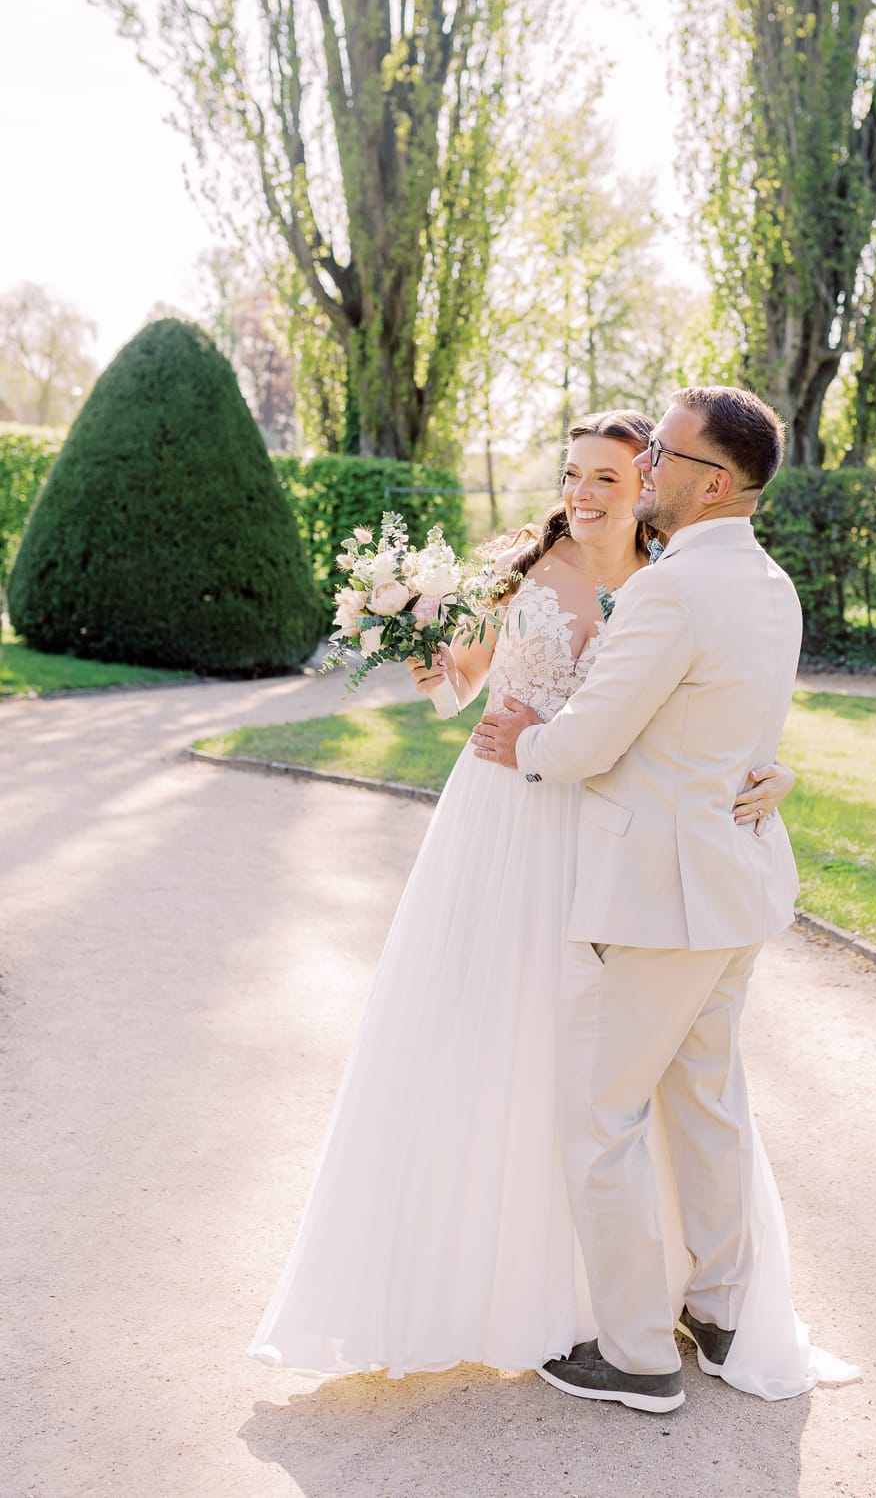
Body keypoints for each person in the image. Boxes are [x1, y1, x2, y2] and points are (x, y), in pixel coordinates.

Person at [246, 409, 805, 1389]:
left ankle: (630, 1336)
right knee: (542, 1048)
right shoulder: (722, 578)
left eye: (620, 472)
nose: (588, 492)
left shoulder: (668, 585)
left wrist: (768, 772)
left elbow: (664, 724)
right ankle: (679, 1307)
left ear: (660, 484)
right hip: (522, 832)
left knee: (608, 1098)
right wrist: (430, 652)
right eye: (575, 472)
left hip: (612, 849)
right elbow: (466, 688)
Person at [472, 386, 859, 1414]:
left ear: (713, 481)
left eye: (662, 456)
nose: (645, 468)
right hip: (733, 893)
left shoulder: (672, 590)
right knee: (708, 1104)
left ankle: (639, 1352)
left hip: (654, 903)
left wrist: (527, 747)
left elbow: (589, 740)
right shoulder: (772, 585)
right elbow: (729, 732)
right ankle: (725, 1313)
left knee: (599, 1120)